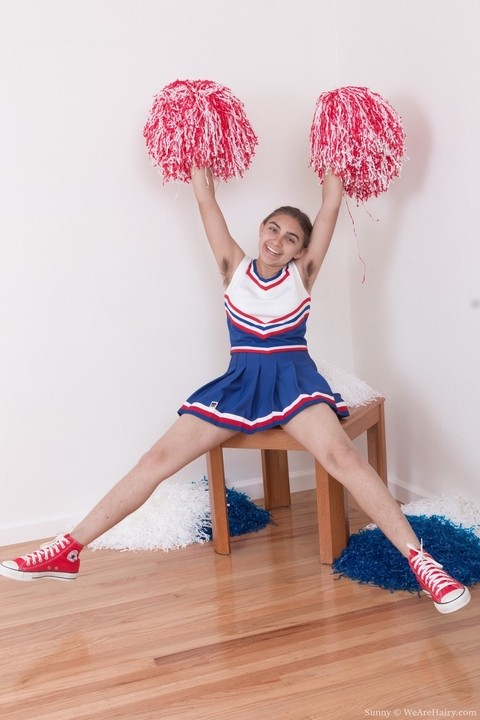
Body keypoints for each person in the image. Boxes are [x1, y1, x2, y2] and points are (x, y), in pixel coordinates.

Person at [0, 168, 471, 615]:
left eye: (291, 238)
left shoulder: (301, 276)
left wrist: (336, 158)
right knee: (154, 462)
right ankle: (67, 549)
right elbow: (205, 196)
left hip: (293, 380)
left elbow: (330, 204)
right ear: (261, 230)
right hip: (239, 383)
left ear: (300, 252)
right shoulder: (233, 265)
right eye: (273, 229)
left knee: (344, 458)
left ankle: (423, 564)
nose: (277, 241)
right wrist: (197, 146)